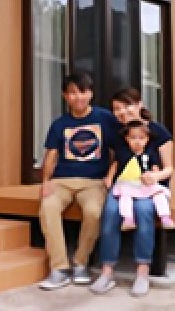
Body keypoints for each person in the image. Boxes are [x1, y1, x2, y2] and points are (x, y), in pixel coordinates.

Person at [37, 71, 120, 290]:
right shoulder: (59, 124)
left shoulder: (105, 119)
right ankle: (59, 268)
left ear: (90, 93)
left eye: (83, 92)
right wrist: (45, 181)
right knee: (48, 208)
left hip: (94, 181)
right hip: (62, 179)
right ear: (65, 96)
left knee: (93, 211)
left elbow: (120, 150)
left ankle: (81, 263)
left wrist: (110, 176)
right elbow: (51, 155)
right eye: (72, 93)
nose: (78, 97)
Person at [90, 87, 174, 297]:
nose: (122, 112)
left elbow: (169, 168)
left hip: (149, 187)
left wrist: (155, 176)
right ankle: (107, 271)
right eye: (117, 108)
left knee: (144, 211)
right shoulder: (117, 134)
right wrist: (108, 179)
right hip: (123, 186)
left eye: (127, 106)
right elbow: (115, 162)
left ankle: (142, 272)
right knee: (110, 212)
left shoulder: (159, 132)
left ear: (139, 105)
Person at [106, 119, 174, 231]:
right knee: (124, 197)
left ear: (147, 139)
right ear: (127, 138)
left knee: (159, 194)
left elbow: (155, 167)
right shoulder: (123, 152)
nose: (137, 141)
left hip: (144, 183)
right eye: (133, 138)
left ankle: (165, 217)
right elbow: (115, 165)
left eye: (141, 138)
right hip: (127, 183)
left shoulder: (150, 153)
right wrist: (109, 178)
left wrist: (154, 175)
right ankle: (128, 219)